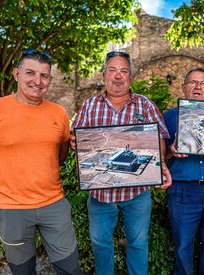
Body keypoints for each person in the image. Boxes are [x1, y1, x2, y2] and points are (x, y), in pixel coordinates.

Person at [0, 49, 82, 275]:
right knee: (23, 271)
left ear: (50, 80)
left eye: (44, 76)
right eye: (30, 73)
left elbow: (60, 156)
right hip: (11, 209)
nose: (37, 81)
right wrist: (2, 185)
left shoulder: (59, 113)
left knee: (71, 269)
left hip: (54, 205)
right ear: (16, 74)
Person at [70, 51, 172, 275]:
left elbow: (161, 138)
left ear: (131, 77)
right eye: (112, 70)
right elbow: (74, 139)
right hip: (100, 196)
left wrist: (160, 161)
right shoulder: (89, 106)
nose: (118, 76)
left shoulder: (145, 105)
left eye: (123, 71)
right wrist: (75, 141)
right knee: (100, 244)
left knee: (138, 243)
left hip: (136, 194)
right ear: (104, 74)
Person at [163, 68, 204, 275]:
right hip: (183, 190)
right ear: (183, 87)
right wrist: (171, 152)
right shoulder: (169, 117)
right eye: (192, 82)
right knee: (182, 246)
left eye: (202, 83)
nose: (198, 87)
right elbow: (158, 155)